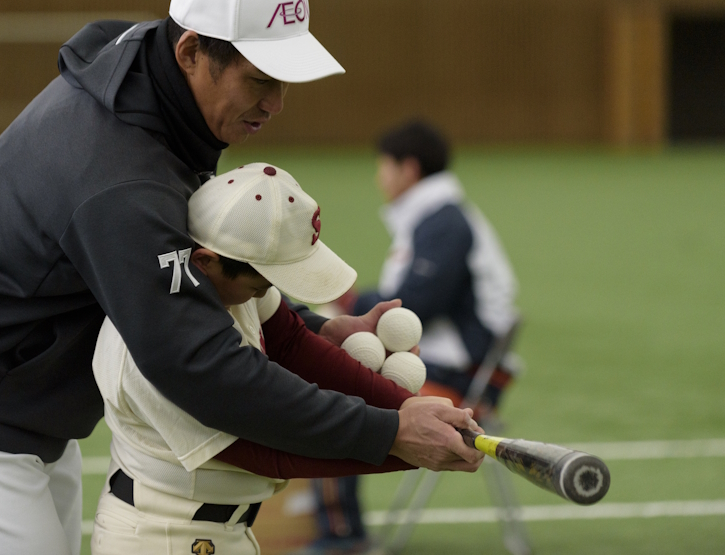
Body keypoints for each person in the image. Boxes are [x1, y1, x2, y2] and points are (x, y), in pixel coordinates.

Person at [0, 0, 481, 555]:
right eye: (260, 80)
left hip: (17, 408)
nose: (277, 103)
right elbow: (197, 366)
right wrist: (388, 433)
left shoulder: (149, 87)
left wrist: (322, 333)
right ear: (190, 52)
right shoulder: (124, 177)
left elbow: (212, 297)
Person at [90, 162, 482, 555]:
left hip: (217, 534)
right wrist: (405, 439)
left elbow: (290, 338)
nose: (263, 295)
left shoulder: (215, 282)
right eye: (259, 285)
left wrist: (409, 408)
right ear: (205, 261)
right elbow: (272, 451)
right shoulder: (160, 344)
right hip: (162, 538)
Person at [307, 120, 521, 554]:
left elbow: (413, 305)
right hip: (459, 363)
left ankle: (340, 535)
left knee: (328, 399)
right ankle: (330, 518)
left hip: (464, 376)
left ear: (409, 169)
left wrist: (348, 301)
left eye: (383, 166)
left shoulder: (444, 223)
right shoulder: (439, 215)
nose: (378, 177)